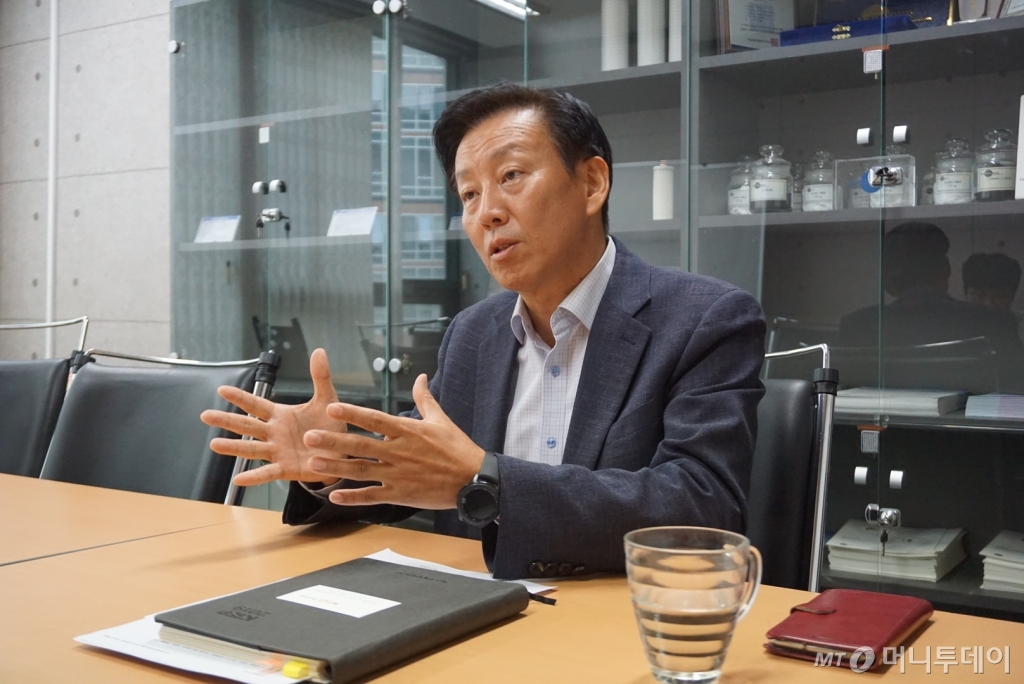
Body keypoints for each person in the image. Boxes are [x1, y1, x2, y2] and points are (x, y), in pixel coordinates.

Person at [201, 84, 766, 580]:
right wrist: (335, 461)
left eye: (511, 176)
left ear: (593, 183)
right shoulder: (474, 332)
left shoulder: (705, 318)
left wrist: (486, 480)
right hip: (478, 608)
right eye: (469, 194)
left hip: (618, 619)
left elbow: (703, 506)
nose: (487, 212)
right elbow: (422, 470)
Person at [838, 223, 1024, 391]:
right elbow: (1015, 399)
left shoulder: (855, 326)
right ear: (947, 271)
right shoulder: (998, 322)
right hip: (970, 420)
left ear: (887, 281)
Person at [962, 252, 1024, 343]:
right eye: (980, 295)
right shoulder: (949, 324)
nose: (989, 303)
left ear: (1012, 296)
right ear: (965, 292)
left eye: (999, 297)